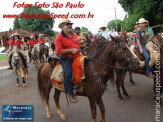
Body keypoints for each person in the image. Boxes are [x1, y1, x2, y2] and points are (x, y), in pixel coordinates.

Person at [55, 19, 80, 103]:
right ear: (62, 26)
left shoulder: (74, 35)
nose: (70, 25)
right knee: (68, 73)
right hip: (66, 58)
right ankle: (70, 93)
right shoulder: (59, 37)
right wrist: (70, 50)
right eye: (67, 24)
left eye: (70, 24)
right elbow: (58, 51)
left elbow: (77, 46)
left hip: (77, 56)